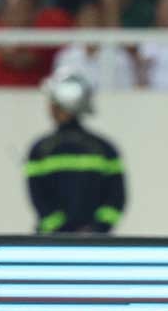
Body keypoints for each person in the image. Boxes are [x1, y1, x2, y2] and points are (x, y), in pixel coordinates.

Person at [27, 68, 125, 234]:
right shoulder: (105, 148)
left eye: (54, 103)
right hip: (95, 246)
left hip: (49, 245)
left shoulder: (40, 150)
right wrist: (97, 229)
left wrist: (61, 230)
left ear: (64, 107)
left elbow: (39, 199)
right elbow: (116, 199)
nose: (50, 108)